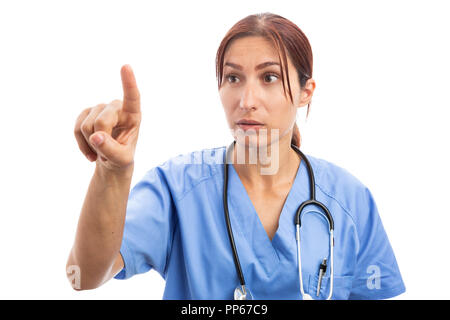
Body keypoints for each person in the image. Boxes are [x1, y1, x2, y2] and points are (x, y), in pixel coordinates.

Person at [66, 12, 406, 300]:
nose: (246, 99)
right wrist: (112, 174)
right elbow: (84, 276)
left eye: (269, 77)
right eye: (233, 78)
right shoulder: (176, 187)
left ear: (306, 92)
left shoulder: (349, 199)